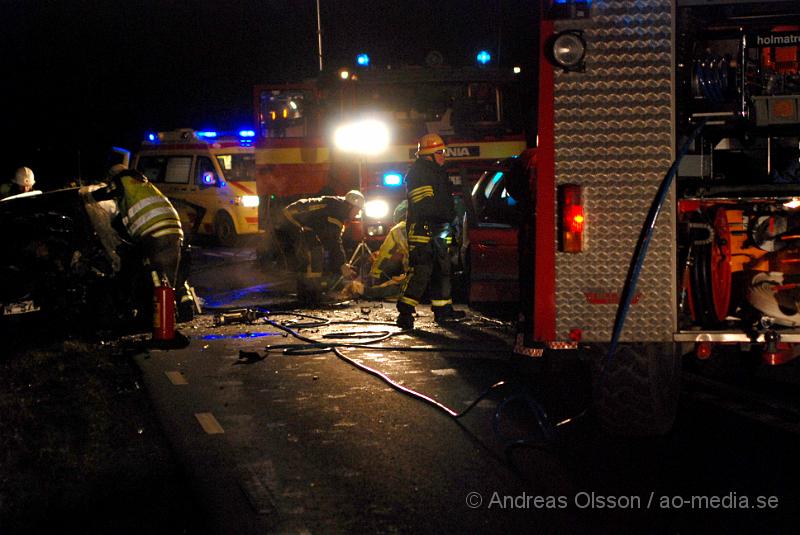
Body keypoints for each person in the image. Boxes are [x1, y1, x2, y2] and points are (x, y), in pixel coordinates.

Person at [396, 133, 465, 329]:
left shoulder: (438, 172)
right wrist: (448, 217)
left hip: (439, 229)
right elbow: (425, 206)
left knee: (443, 270)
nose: (443, 156)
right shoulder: (418, 174)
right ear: (428, 155)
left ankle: (443, 311)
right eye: (440, 152)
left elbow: (443, 202)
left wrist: (451, 219)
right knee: (421, 271)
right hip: (423, 229)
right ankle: (405, 312)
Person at [90, 165, 184, 287]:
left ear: (113, 176)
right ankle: (176, 303)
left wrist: (86, 195)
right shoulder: (142, 182)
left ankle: (156, 303)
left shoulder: (122, 180)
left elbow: (103, 194)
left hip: (153, 231)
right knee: (170, 281)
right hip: (174, 229)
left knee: (151, 278)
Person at [274, 190, 365, 303]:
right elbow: (334, 242)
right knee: (314, 252)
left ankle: (307, 293)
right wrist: (342, 265)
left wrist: (340, 264)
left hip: (294, 220)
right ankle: (311, 294)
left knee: (313, 251)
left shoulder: (337, 208)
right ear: (350, 206)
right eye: (357, 210)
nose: (357, 214)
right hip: (290, 220)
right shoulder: (336, 213)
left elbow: (329, 239)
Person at [366, 200, 409, 300]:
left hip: (416, 276)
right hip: (439, 275)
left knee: (387, 289)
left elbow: (384, 256)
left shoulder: (398, 229)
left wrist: (374, 274)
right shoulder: (431, 225)